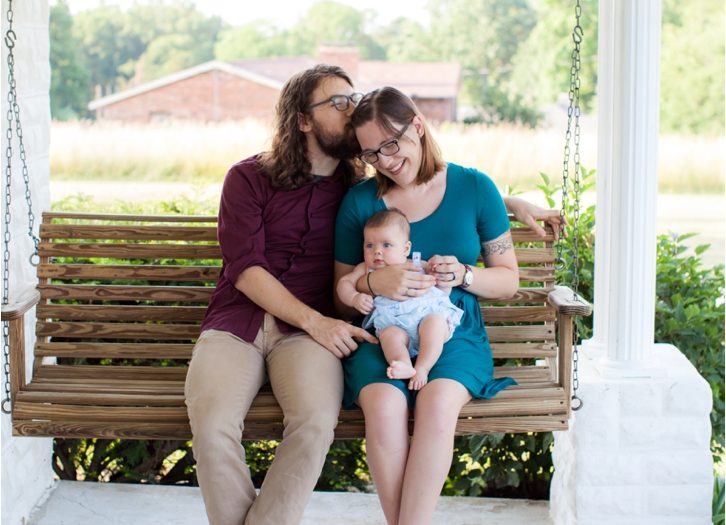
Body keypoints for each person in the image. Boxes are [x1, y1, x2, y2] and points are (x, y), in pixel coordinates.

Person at [186, 63, 561, 525]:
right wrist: (351, 297)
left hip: (385, 332)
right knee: (220, 423)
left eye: (353, 99)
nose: (352, 112)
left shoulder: (367, 185)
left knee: (352, 417)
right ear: (303, 119)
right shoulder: (295, 186)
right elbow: (257, 272)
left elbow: (440, 187)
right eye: (338, 103)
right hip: (270, 324)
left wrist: (505, 213)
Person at [333, 86, 525, 525]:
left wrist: (465, 275)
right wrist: (371, 279)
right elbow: (340, 297)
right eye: (370, 153)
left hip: (452, 332)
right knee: (384, 406)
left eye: (390, 144)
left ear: (416, 126)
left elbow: (508, 281)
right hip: (384, 331)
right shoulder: (361, 202)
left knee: (438, 406)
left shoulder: (476, 187)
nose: (383, 159)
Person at [337, 208, 463, 390]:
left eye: (386, 245)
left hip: (426, 317)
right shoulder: (365, 268)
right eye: (369, 245)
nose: (377, 252)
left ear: (406, 249)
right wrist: (354, 297)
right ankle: (402, 364)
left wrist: (440, 272)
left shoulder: (418, 264)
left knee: (434, 324)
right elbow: (344, 283)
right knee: (390, 336)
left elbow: (443, 289)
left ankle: (422, 368)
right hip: (394, 324)